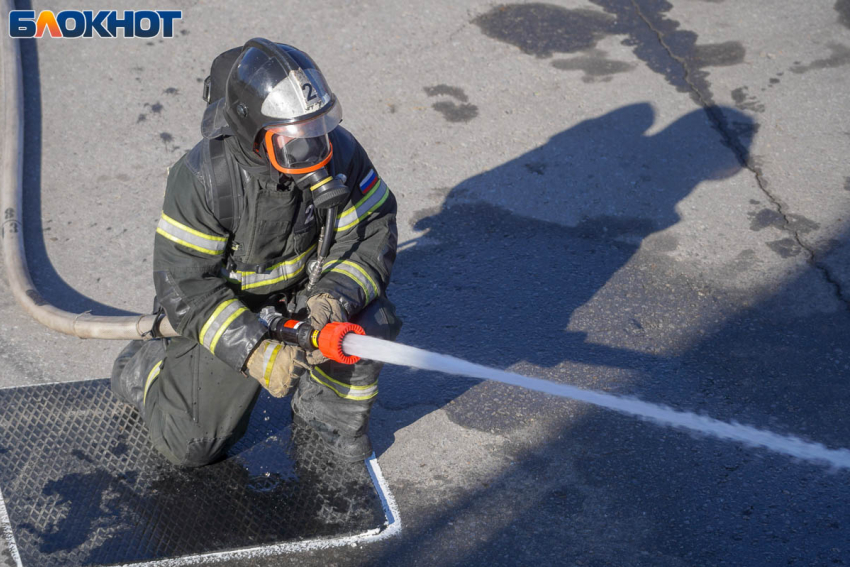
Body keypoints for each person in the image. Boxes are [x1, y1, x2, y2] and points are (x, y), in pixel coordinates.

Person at [111, 38, 402, 467]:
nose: (316, 153)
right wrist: (253, 352)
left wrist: (334, 297)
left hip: (306, 291)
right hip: (231, 310)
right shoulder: (203, 178)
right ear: (253, 134)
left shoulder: (340, 151)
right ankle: (148, 369)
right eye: (295, 141)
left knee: (369, 324)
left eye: (318, 131)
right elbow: (187, 287)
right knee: (190, 447)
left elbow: (373, 228)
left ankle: (328, 418)